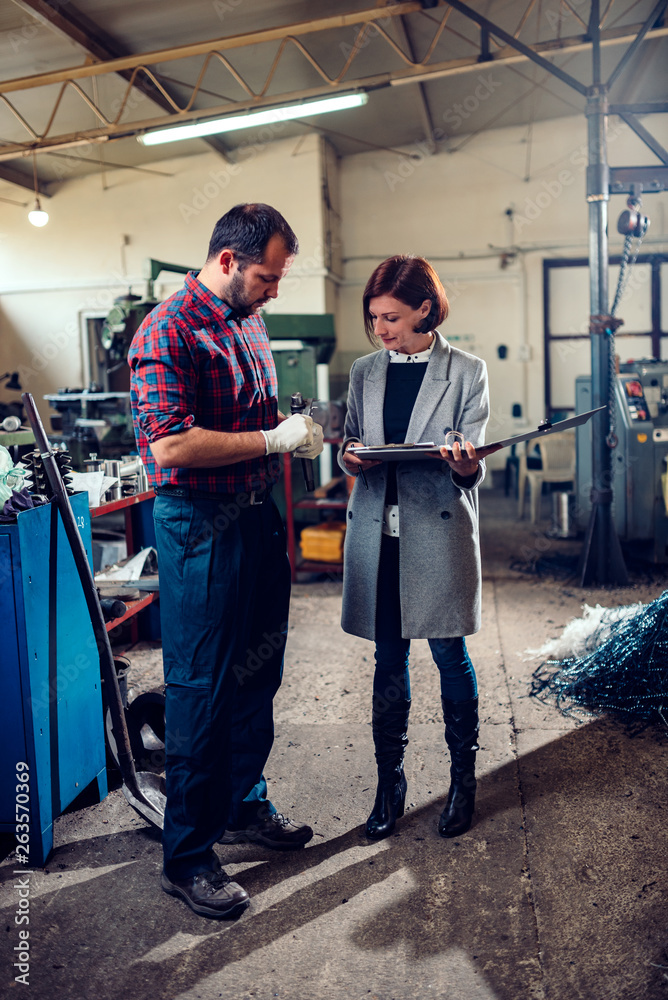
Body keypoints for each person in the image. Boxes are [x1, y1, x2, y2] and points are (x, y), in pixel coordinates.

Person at [129, 203, 323, 919]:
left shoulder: (248, 317)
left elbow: (251, 414)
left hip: (254, 517)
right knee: (201, 688)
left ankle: (242, 801)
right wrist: (273, 441)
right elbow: (171, 447)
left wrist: (287, 436)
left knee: (256, 671)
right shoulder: (166, 329)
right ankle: (186, 856)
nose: (274, 291)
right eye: (267, 278)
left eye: (278, 280)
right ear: (226, 262)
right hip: (199, 527)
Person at [338, 254, 489, 841]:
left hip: (437, 529)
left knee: (449, 655)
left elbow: (473, 463)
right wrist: (350, 455)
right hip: (379, 532)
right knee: (387, 659)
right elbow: (353, 437)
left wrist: (465, 464)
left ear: (426, 308)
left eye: (394, 318)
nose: (383, 330)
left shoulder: (467, 370)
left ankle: (463, 781)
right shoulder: (364, 371)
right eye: (375, 319)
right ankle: (389, 785)